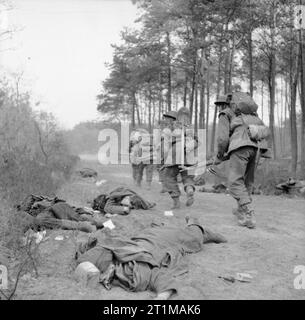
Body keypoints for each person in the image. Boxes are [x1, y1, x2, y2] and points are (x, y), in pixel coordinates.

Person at [76, 217, 227, 300]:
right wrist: (161, 297)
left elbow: (97, 250)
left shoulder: (113, 253)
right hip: (156, 242)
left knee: (193, 237)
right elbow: (163, 280)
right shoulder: (143, 271)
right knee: (186, 239)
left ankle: (194, 223)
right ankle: (192, 227)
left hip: (156, 239)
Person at [215, 92, 270, 229]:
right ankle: (242, 211)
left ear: (225, 104)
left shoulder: (225, 114)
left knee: (234, 182)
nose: (219, 107)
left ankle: (248, 211)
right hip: (256, 149)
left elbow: (223, 139)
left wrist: (220, 155)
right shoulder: (252, 116)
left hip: (240, 147)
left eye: (219, 105)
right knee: (247, 181)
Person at [162, 107, 198, 209]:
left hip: (175, 154)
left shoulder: (171, 127)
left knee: (168, 177)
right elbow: (198, 141)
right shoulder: (190, 128)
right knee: (187, 177)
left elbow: (166, 144)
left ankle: (176, 201)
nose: (167, 120)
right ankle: (189, 189)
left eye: (168, 118)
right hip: (189, 155)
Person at [155, 111, 178, 193]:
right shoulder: (165, 128)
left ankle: (173, 187)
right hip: (163, 151)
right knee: (161, 169)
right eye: (166, 118)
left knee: (171, 170)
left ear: (172, 119)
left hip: (171, 151)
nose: (166, 119)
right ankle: (164, 186)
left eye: (168, 118)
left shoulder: (175, 128)